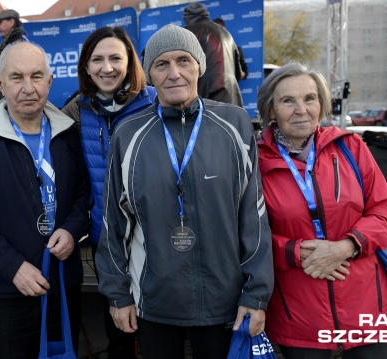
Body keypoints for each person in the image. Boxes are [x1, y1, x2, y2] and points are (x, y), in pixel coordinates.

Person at [96, 24, 273, 359]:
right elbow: (113, 225)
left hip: (225, 302)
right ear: (149, 74)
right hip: (154, 302)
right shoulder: (128, 133)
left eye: (183, 61)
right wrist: (118, 296)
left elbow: (254, 216)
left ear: (199, 67)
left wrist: (256, 294)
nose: (174, 73)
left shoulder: (234, 124)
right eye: (162, 64)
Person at [0, 41, 90, 358]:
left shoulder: (68, 134)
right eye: (16, 77)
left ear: (50, 81)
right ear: (0, 83)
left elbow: (83, 195)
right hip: (7, 291)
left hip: (62, 284)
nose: (28, 88)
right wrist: (14, 268)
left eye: (36, 76)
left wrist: (71, 229)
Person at [256, 62, 387, 358]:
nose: (301, 109)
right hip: (298, 311)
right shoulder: (254, 162)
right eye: (287, 101)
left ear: (321, 104)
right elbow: (244, 233)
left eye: (309, 98)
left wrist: (347, 246)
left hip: (367, 307)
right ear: (271, 110)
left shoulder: (351, 148)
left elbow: (384, 213)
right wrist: (294, 251)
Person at [61, 26, 156, 359]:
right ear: (86, 67)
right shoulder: (75, 112)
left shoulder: (154, 103)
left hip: (156, 240)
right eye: (97, 59)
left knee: (157, 332)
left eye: (116, 58)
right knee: (117, 330)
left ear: (130, 62)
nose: (107, 67)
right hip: (108, 243)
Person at [183, 2, 243, 107]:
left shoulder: (188, 33)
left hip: (207, 94)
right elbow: (238, 72)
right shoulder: (227, 34)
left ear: (187, 18)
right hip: (232, 94)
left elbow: (182, 68)